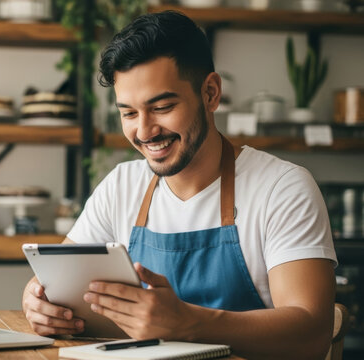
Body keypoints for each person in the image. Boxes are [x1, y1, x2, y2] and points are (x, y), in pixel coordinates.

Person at [22, 11, 337, 359]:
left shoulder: (282, 188)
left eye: (162, 106)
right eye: (128, 113)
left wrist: (188, 322)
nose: (144, 131)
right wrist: (40, 301)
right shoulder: (121, 186)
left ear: (211, 93)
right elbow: (61, 284)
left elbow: (311, 333)